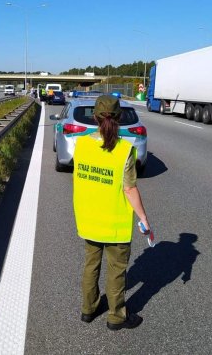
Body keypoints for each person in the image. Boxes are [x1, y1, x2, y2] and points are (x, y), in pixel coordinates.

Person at [73, 95, 151, 331]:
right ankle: (116, 316)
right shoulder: (124, 150)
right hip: (114, 223)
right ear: (119, 118)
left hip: (88, 218)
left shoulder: (81, 144)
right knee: (116, 270)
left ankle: (88, 309)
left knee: (91, 265)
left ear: (95, 117)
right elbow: (129, 188)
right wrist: (144, 218)